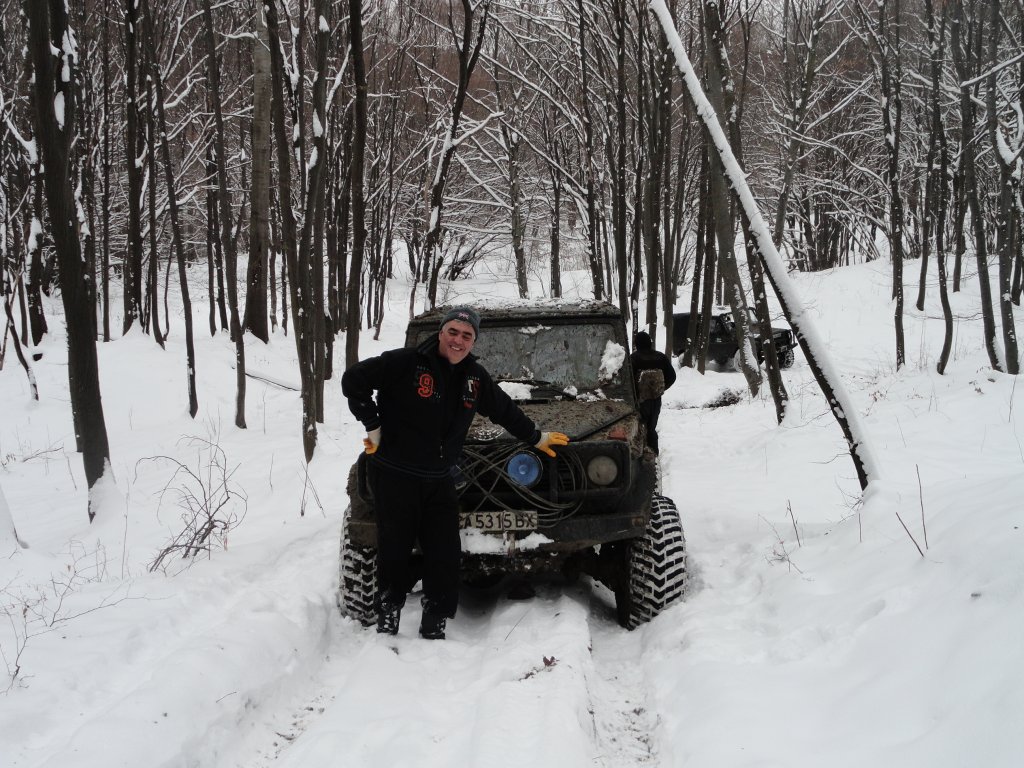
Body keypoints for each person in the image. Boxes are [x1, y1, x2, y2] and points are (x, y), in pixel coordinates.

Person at [341, 306, 569, 640]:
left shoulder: (474, 379)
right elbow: (354, 381)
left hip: (439, 479)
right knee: (394, 548)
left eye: (467, 335)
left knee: (444, 553)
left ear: (473, 340)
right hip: (395, 475)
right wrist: (373, 424)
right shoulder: (405, 362)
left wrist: (537, 437)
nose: (458, 340)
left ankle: (435, 618)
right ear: (442, 332)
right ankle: (388, 612)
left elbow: (504, 410)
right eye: (453, 332)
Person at [629, 330, 676, 454]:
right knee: (651, 428)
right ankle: (653, 453)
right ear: (650, 342)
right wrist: (660, 389)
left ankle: (638, 454)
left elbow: (627, 380)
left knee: (639, 427)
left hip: (639, 400)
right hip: (655, 400)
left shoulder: (633, 358)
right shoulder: (660, 357)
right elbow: (672, 376)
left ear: (637, 343)